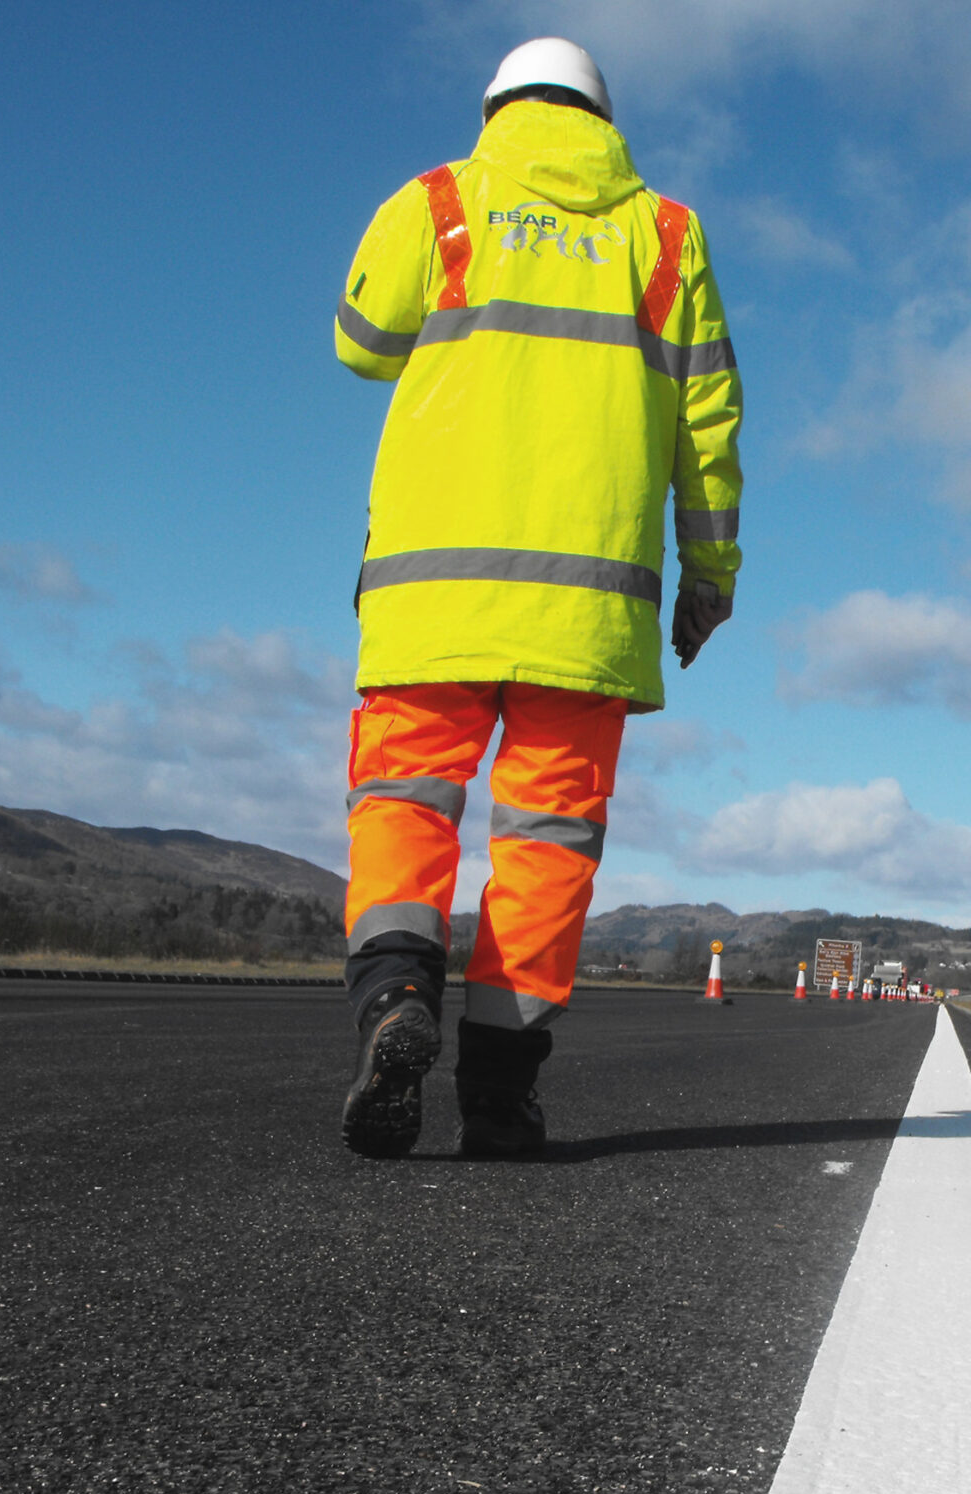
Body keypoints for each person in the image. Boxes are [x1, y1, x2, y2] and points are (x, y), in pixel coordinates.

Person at [331, 37, 742, 1159]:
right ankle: (500, 1098)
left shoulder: (438, 199)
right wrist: (708, 579)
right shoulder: (667, 234)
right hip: (591, 608)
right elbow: (709, 429)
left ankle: (393, 1000)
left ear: (494, 109)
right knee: (548, 845)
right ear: (604, 120)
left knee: (405, 803)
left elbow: (359, 341)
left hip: (433, 593)